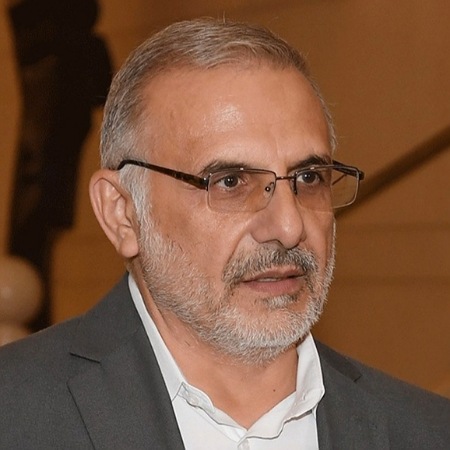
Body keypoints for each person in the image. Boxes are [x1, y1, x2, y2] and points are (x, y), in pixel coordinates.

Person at [0, 17, 448, 449]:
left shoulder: (426, 432)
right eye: (231, 182)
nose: (289, 227)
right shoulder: (15, 414)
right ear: (122, 213)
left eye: (309, 177)